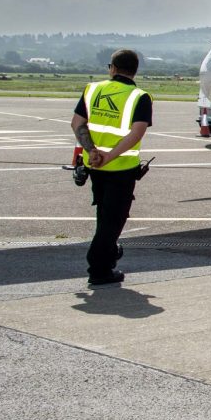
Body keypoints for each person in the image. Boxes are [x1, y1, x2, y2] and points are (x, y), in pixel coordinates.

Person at [71, 49, 151, 286]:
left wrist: (92, 151)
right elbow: (136, 133)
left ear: (112, 68)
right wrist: (110, 156)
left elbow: (77, 123)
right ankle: (99, 267)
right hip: (121, 169)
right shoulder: (139, 97)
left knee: (104, 217)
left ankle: (106, 258)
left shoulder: (92, 89)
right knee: (112, 220)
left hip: (95, 167)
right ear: (135, 70)